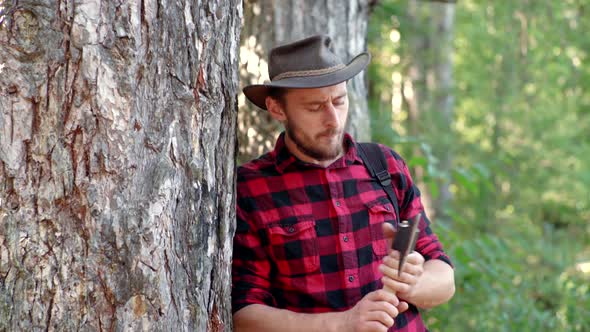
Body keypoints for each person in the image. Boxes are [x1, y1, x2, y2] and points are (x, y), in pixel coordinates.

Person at [232, 34, 455, 332]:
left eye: (339, 100)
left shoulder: (385, 166)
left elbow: (443, 277)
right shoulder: (251, 189)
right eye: (314, 107)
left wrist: (413, 283)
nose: (333, 120)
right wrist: (343, 323)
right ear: (277, 109)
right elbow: (244, 316)